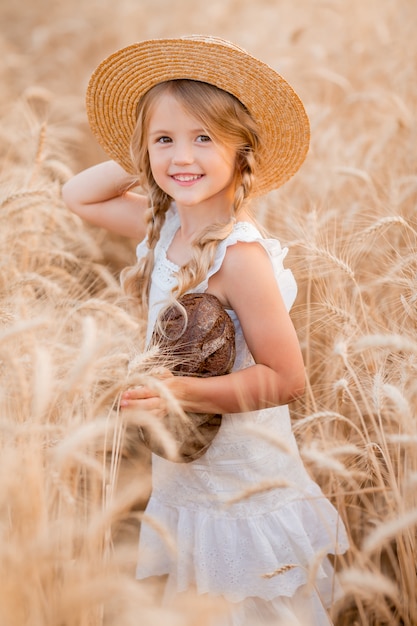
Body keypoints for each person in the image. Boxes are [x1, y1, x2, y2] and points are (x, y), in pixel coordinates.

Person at [62, 36, 349, 626]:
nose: (182, 158)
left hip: (245, 475)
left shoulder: (240, 257)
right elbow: (77, 195)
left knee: (250, 605)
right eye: (165, 140)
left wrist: (177, 391)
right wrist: (145, 149)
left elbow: (286, 378)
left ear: (241, 153)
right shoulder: (164, 228)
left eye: (204, 139)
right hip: (188, 467)